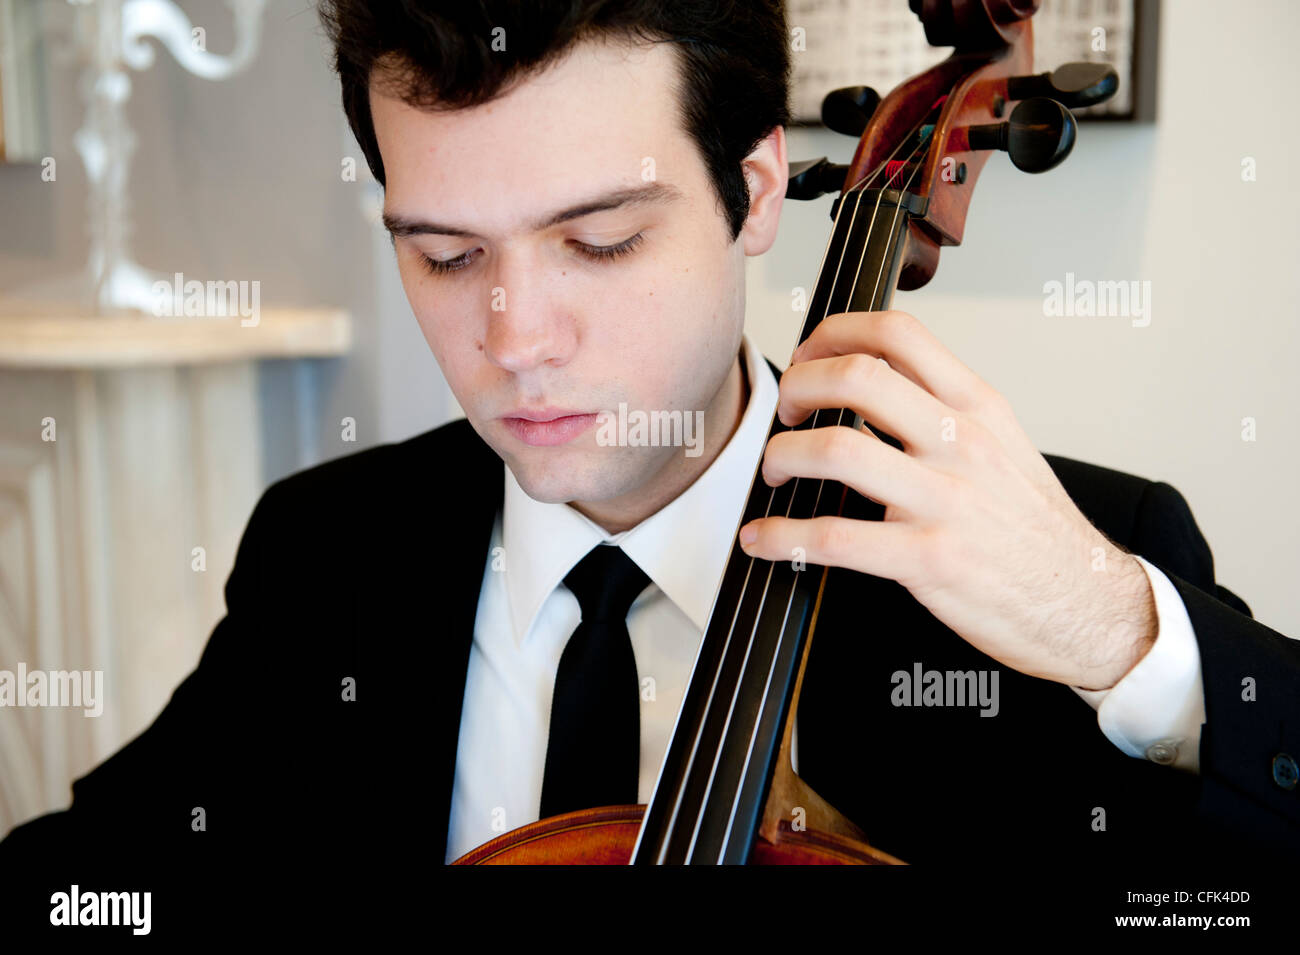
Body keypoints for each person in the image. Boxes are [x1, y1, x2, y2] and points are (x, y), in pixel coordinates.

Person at [3, 0, 1296, 904]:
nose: (514, 339)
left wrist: (1130, 638)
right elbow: (111, 880)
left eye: (601, 239)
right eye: (445, 254)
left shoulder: (1064, 558)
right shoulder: (333, 545)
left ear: (753, 191)